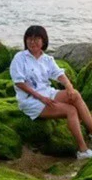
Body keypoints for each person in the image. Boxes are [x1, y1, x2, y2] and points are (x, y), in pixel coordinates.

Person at [10, 25, 92, 160]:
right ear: (25, 41)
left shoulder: (47, 59)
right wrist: (41, 98)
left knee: (75, 94)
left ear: (43, 41)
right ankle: (82, 150)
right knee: (70, 110)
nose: (32, 42)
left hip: (47, 93)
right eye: (29, 39)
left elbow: (59, 74)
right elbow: (19, 83)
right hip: (30, 99)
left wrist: (69, 86)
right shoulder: (20, 58)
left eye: (37, 39)